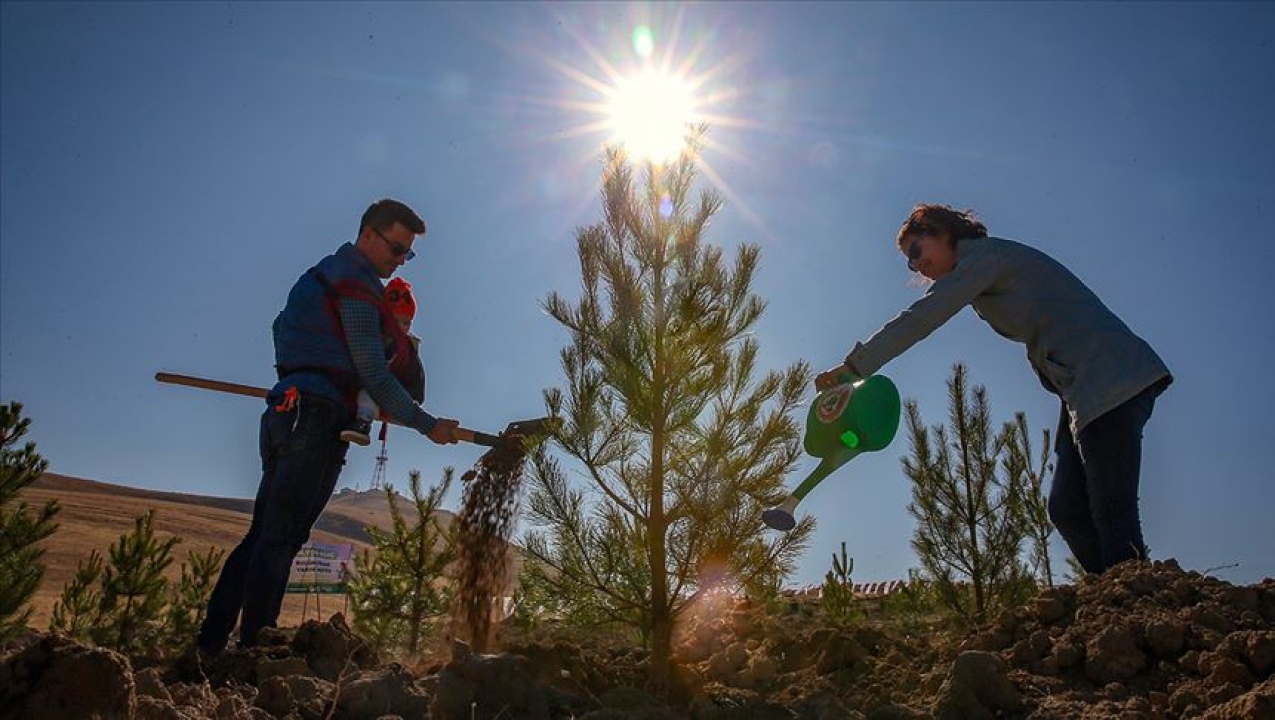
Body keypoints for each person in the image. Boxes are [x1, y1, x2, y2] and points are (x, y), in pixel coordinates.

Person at [815, 204, 1171, 576]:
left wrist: (854, 368)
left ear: (942, 232)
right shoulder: (980, 273)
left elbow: (922, 318)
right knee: (1067, 509)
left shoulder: (985, 259)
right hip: (1081, 389)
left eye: (917, 252)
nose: (916, 267)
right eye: (908, 264)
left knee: (1112, 507)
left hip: (1109, 373)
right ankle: (1114, 598)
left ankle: (1138, 602)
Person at [196, 198, 460, 655]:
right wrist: (426, 424)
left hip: (285, 410)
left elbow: (281, 329)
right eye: (397, 249)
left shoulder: (319, 275)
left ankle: (210, 646)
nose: (399, 262)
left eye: (407, 255)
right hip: (314, 419)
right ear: (369, 235)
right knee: (282, 538)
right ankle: (257, 649)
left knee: (263, 535)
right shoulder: (355, 285)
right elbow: (374, 373)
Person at [340, 276, 424, 445]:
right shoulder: (371, 338)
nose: (400, 327)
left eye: (406, 323)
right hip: (373, 393)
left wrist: (411, 402)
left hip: (397, 395)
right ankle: (358, 418)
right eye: (396, 321)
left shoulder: (407, 347)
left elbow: (416, 377)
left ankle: (362, 422)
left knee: (369, 391)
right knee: (365, 392)